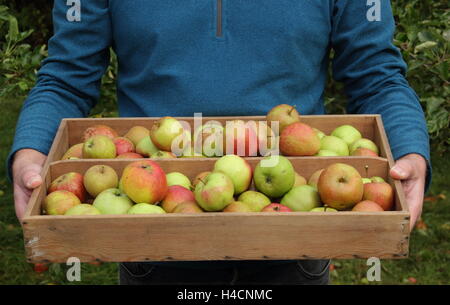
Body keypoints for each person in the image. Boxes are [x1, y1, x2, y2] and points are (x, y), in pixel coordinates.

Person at [9, 1, 430, 285]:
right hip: (152, 237)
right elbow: (66, 74)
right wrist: (30, 152)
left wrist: (410, 148)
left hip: (295, 228)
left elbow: (377, 73)